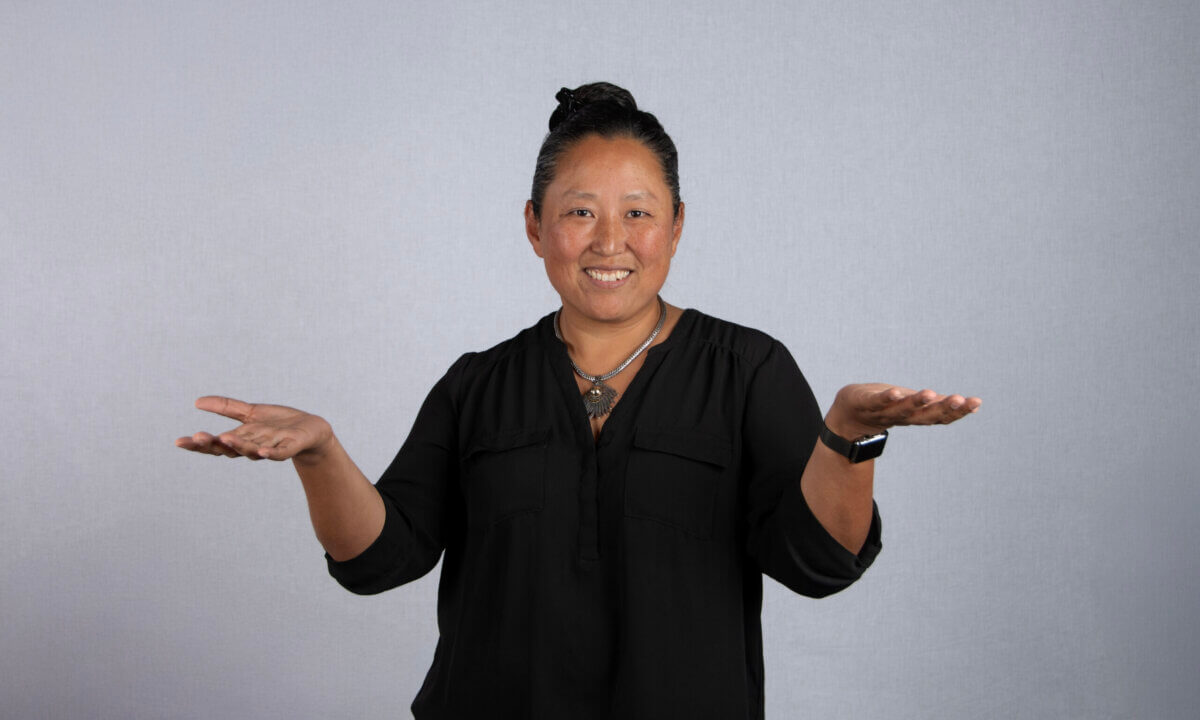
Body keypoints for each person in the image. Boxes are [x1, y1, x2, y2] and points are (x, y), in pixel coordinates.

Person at [175, 83, 981, 719]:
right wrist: (320, 453)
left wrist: (849, 438)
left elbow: (817, 563)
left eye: (638, 212)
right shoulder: (478, 384)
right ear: (534, 226)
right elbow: (380, 559)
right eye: (579, 213)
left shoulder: (747, 370)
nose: (609, 241)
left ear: (676, 225)